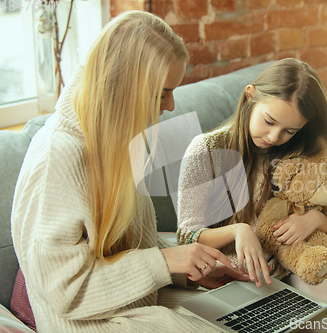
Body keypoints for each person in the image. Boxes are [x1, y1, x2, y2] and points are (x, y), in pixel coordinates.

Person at [10, 11, 249, 333]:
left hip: (134, 301)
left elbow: (133, 251)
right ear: (122, 89)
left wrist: (188, 267)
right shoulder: (59, 155)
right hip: (86, 320)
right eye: (160, 93)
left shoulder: (119, 141)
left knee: (250, 311)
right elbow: (65, 292)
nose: (170, 106)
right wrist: (165, 263)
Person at [176, 58, 327, 328]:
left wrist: (313, 219)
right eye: (269, 121)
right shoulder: (206, 150)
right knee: (325, 325)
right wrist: (239, 231)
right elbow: (186, 236)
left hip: (292, 263)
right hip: (239, 276)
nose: (273, 137)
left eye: (289, 130)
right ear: (250, 96)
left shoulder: (296, 151)